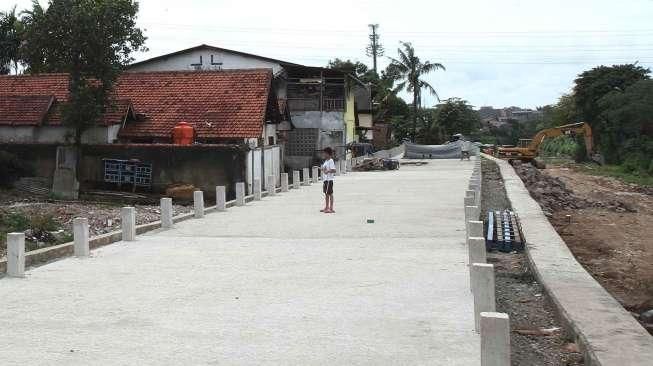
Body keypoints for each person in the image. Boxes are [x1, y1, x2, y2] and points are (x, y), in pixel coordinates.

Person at [320, 147, 336, 213]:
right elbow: (324, 169)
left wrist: (328, 171)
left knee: (330, 193)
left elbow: (334, 170)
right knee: (326, 194)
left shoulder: (331, 161)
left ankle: (331, 208)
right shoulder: (326, 161)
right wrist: (321, 169)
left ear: (328, 154)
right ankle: (326, 207)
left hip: (329, 180)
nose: (324, 155)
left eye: (325, 153)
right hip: (325, 180)